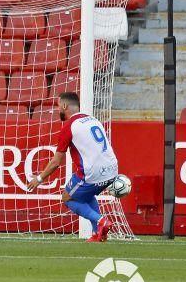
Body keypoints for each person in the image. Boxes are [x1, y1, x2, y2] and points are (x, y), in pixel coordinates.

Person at [27, 92, 118, 242]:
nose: (58, 111)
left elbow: (56, 162)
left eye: (58, 107)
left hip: (92, 173)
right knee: (86, 195)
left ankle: (101, 221)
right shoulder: (93, 120)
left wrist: (39, 178)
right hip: (112, 169)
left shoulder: (69, 127)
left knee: (68, 197)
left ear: (64, 106)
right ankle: (98, 234)